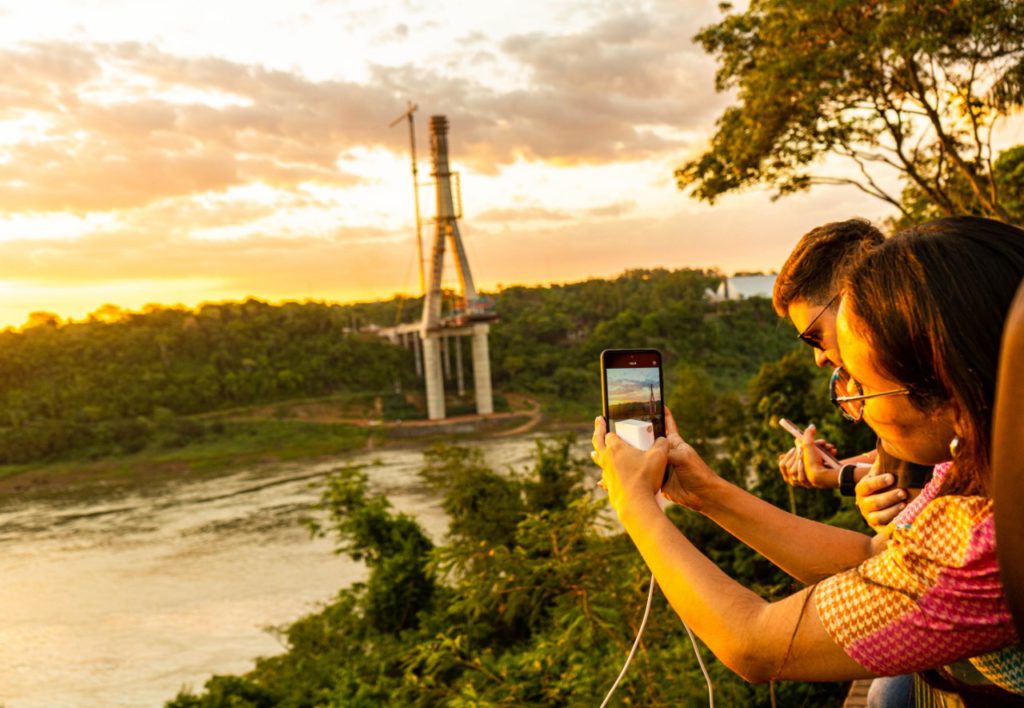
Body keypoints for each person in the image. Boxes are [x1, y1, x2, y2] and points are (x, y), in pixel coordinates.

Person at [593, 217, 1024, 703]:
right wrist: (706, 492)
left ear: (949, 396)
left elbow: (754, 643)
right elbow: (870, 557)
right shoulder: (984, 471)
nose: (852, 405)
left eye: (859, 385)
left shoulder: (981, 539)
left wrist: (633, 505)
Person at [772, 218, 931, 533]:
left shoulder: (919, 375)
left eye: (815, 336)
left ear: (852, 298)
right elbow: (899, 459)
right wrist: (838, 472)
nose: (818, 358)